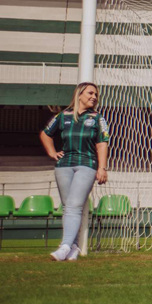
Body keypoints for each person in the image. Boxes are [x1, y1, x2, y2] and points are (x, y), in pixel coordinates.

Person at [39, 82, 109, 261]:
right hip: (64, 165)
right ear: (79, 94)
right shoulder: (62, 116)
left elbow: (102, 143)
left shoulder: (98, 118)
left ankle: (64, 246)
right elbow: (45, 134)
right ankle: (73, 247)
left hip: (87, 164)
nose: (94, 97)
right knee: (68, 207)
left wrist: (102, 167)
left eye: (96, 95)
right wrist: (52, 153)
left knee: (74, 205)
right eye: (90, 93)